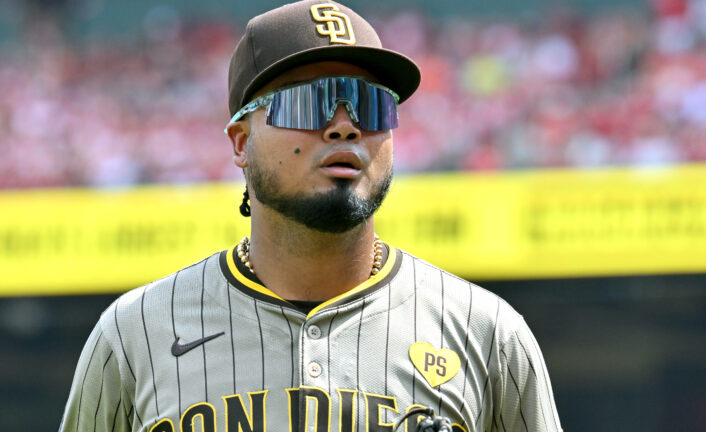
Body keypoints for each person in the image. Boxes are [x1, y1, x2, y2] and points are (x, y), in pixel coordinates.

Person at [60, 1, 562, 431]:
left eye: (370, 104)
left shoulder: (488, 334)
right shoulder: (134, 334)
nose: (345, 126)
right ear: (241, 142)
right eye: (309, 102)